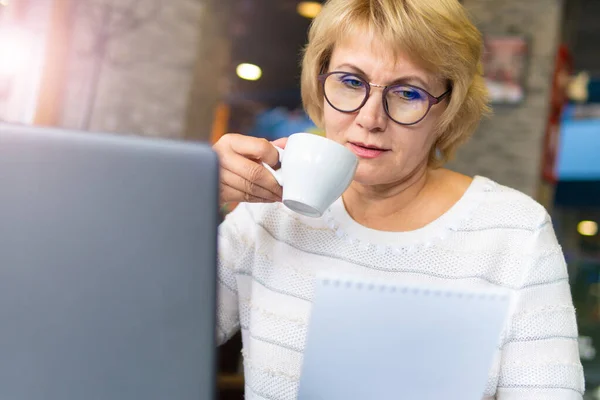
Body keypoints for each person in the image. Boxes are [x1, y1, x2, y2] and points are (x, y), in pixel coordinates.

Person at [213, 0, 584, 398]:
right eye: (351, 82)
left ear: (448, 109)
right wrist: (190, 204)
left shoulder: (514, 234)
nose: (371, 118)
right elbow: (149, 331)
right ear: (319, 83)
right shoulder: (267, 212)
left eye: (408, 92)